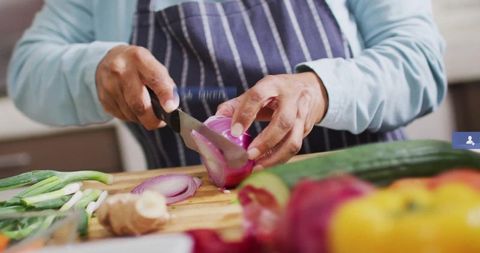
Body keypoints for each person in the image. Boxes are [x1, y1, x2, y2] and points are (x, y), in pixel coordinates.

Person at [7, 0, 446, 170]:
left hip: (365, 204)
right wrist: (93, 68)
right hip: (204, 219)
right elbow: (26, 71)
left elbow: (420, 63)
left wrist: (321, 90)